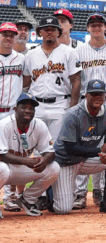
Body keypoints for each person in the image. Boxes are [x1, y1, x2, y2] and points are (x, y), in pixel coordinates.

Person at [71, 13, 106, 210]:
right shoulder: (79, 51)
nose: (97, 27)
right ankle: (81, 193)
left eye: (100, 25)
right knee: (84, 144)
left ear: (105, 28)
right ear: (88, 29)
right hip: (86, 103)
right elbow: (76, 80)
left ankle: (100, 191)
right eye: (93, 25)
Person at [51, 79, 106, 214]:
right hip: (65, 162)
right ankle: (50, 192)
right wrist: (99, 151)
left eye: (100, 94)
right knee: (63, 209)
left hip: (84, 160)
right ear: (86, 95)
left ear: (104, 96)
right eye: (93, 94)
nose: (97, 97)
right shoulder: (73, 114)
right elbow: (70, 148)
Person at [22, 17, 82, 148]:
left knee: (55, 146)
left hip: (60, 104)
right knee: (33, 145)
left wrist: (72, 108)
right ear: (39, 32)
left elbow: (76, 81)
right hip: (36, 105)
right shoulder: (31, 54)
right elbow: (25, 83)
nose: (49, 32)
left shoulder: (69, 52)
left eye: (53, 29)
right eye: (45, 29)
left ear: (58, 32)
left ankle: (54, 169)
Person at [0, 93, 60, 216]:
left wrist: (44, 160)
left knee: (54, 168)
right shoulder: (4, 125)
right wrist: (26, 161)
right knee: (2, 169)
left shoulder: (39, 125)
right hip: (5, 168)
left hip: (19, 170)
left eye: (31, 108)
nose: (28, 110)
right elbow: (1, 155)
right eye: (23, 107)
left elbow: (50, 152)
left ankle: (27, 200)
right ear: (15, 109)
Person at [0, 22, 26, 212]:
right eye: (5, 34)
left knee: (14, 154)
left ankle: (10, 198)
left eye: (11, 35)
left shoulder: (21, 59)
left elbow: (26, 83)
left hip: (11, 112)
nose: (8, 38)